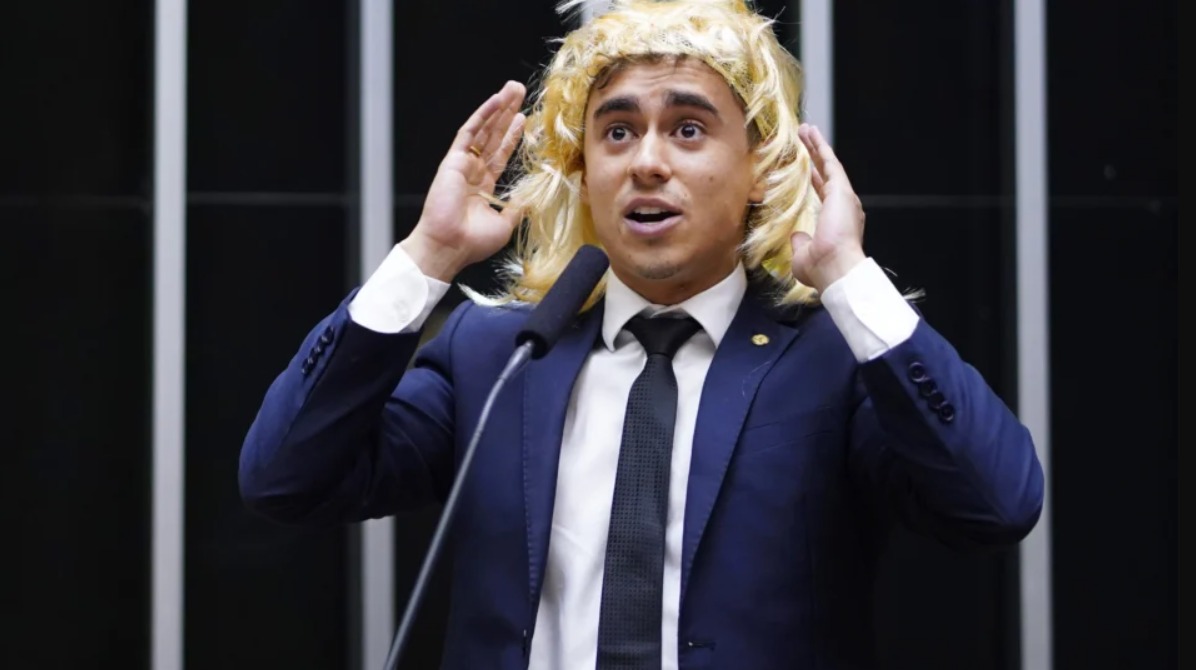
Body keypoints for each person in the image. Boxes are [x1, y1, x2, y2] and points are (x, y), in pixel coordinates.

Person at [238, 0, 1044, 667]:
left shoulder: (833, 364)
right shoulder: (499, 356)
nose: (646, 163)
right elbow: (284, 477)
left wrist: (850, 279)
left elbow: (996, 503)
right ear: (585, 170)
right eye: (617, 133)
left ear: (761, 167)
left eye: (688, 130)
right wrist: (428, 257)